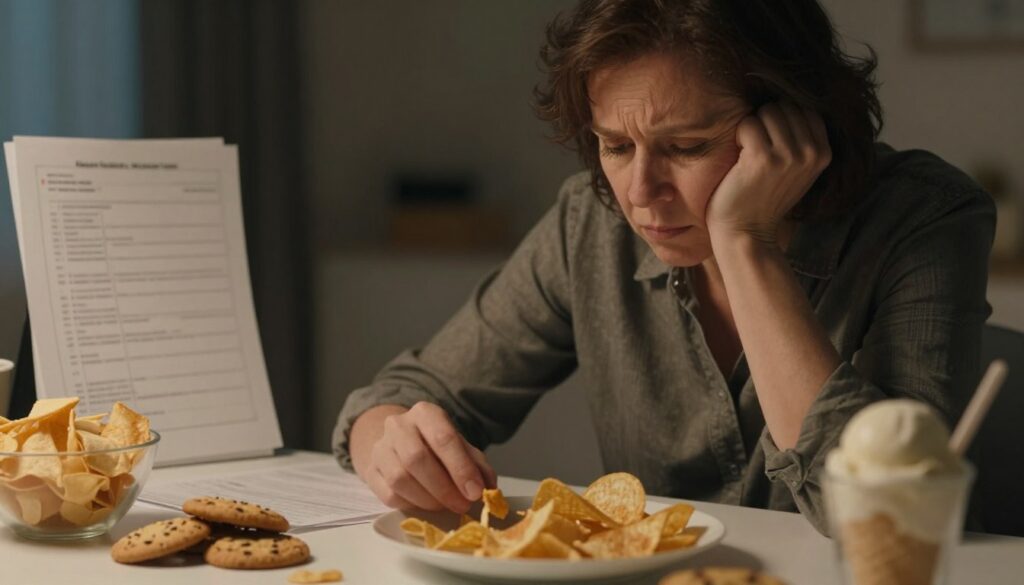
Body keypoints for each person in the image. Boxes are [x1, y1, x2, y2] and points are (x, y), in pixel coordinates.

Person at [333, 0, 994, 535]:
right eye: (615, 145)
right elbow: (406, 393)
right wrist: (386, 440)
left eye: (686, 145)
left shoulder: (927, 220)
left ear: (795, 126)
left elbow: (887, 515)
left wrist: (745, 242)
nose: (640, 191)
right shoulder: (590, 225)